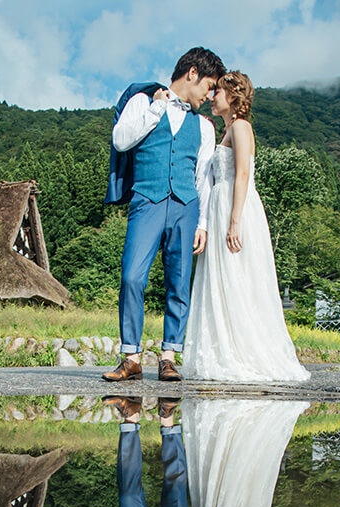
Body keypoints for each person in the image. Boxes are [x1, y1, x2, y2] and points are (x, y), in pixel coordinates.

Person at [102, 47, 225, 383]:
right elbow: (121, 139)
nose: (208, 96)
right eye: (208, 86)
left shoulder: (203, 126)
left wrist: (203, 223)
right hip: (147, 200)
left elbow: (204, 178)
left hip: (186, 206)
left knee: (178, 283)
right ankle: (130, 357)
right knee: (131, 277)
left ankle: (169, 357)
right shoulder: (143, 101)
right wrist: (157, 108)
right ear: (193, 74)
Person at [183, 71, 310, 382]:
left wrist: (234, 221)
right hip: (222, 205)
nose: (213, 97)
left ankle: (243, 351)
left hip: (235, 206)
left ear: (233, 97)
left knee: (237, 277)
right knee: (223, 280)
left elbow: (242, 174)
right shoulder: (226, 129)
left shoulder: (241, 127)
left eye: (219, 92)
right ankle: (226, 348)